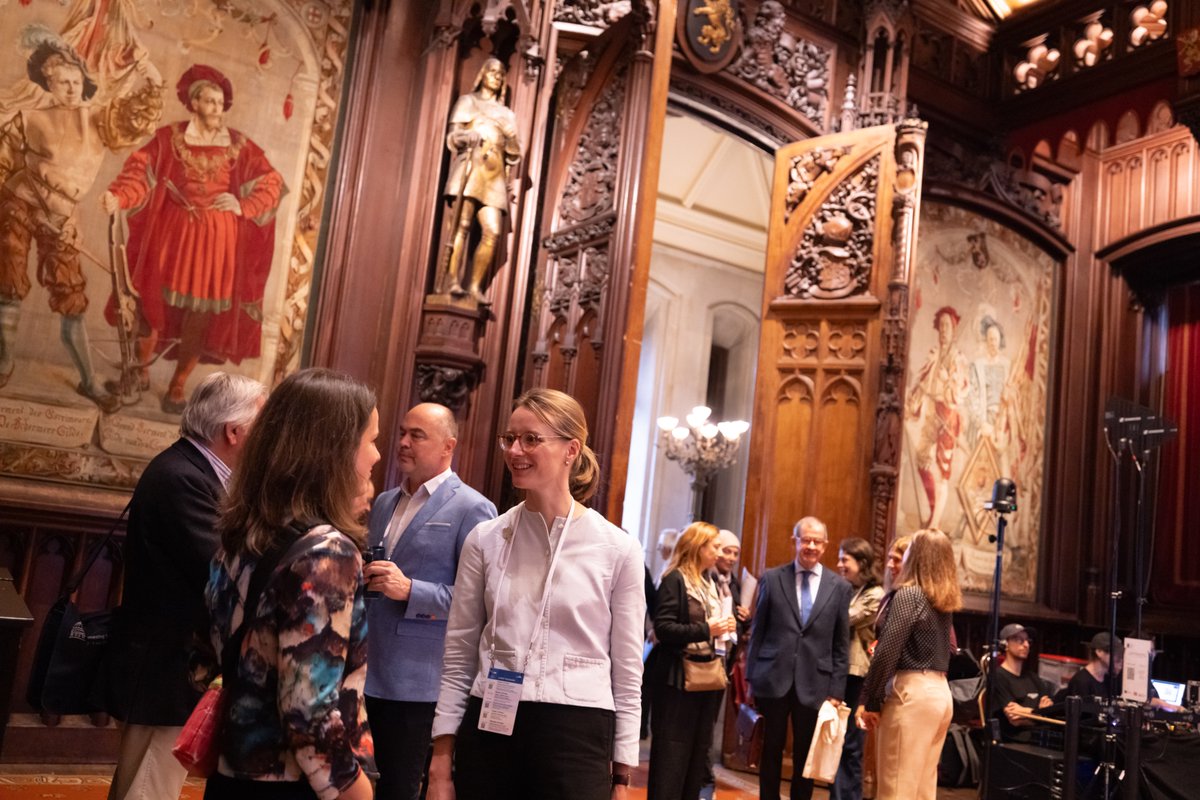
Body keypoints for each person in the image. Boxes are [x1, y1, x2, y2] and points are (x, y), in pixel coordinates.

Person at [428, 388, 645, 800]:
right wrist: (440, 762)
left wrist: (622, 776)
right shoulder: (485, 539)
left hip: (577, 733)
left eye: (531, 439)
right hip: (491, 725)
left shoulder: (618, 549)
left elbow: (628, 672)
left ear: (571, 450)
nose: (515, 451)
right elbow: (458, 656)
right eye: (510, 439)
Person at [198, 368, 376, 799]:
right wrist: (355, 790)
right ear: (334, 449)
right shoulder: (326, 552)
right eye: (371, 440)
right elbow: (308, 711)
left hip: (234, 772)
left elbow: (204, 663)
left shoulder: (245, 535)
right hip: (296, 783)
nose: (376, 455)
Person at [101, 371, 265, 800]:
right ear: (234, 431)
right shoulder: (182, 476)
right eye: (261, 427)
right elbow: (222, 568)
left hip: (170, 663)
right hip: (164, 664)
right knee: (149, 785)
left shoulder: (194, 470)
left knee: (143, 780)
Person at [101, 63, 283, 413]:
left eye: (220, 102)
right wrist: (119, 197)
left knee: (199, 316)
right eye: (210, 101)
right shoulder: (170, 137)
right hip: (172, 236)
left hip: (217, 243)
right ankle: (137, 374)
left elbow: (272, 183)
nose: (218, 108)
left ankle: (178, 386)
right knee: (151, 303)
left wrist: (244, 205)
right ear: (194, 103)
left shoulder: (239, 145)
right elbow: (140, 170)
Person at [0, 38, 160, 409]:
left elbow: (144, 111)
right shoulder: (28, 119)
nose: (70, 89)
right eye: (61, 83)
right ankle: (4, 363)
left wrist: (145, 69)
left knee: (72, 297)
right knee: (7, 285)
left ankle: (89, 381)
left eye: (75, 81)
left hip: (62, 218)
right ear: (48, 85)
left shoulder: (101, 120)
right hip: (18, 206)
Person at [362, 402, 496, 800]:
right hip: (367, 671)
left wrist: (412, 590)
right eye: (402, 432)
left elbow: (482, 604)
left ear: (448, 445)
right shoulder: (384, 501)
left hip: (420, 682)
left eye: (416, 435)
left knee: (400, 790)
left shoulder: (473, 507)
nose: (402, 442)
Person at [745, 516, 852, 800]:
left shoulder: (839, 588)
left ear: (826, 545)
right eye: (806, 540)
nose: (811, 546)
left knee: (807, 755)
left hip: (816, 683)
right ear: (795, 541)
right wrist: (750, 678)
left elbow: (842, 643)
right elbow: (758, 631)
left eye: (817, 541)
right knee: (771, 749)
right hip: (772, 678)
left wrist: (837, 690)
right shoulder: (771, 578)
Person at [856, 528, 962, 800]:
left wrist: (870, 701)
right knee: (922, 792)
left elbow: (886, 652)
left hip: (911, 694)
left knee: (896, 790)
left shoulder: (909, 595)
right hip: (940, 695)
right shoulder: (943, 600)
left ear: (917, 556)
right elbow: (951, 649)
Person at [644, 521, 736, 800]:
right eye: (715, 547)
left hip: (706, 678)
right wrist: (708, 629)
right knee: (672, 755)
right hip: (676, 681)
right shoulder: (675, 579)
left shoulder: (708, 580)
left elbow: (711, 623)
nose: (720, 553)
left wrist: (727, 626)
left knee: (697, 755)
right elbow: (664, 629)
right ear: (698, 547)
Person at [440, 57, 522, 304]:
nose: (496, 77)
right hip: (471, 166)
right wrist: (467, 135)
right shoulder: (468, 101)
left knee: (493, 231)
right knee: (461, 226)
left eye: (501, 74)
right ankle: (451, 281)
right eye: (493, 72)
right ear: (483, 73)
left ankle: (474, 286)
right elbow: (452, 137)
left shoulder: (507, 114)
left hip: (494, 173)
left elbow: (514, 154)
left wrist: (510, 138)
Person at [830, 537, 883, 800]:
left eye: (845, 560)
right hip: (839, 671)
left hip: (857, 674)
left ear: (862, 563)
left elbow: (844, 620)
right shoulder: (846, 589)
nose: (839, 565)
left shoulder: (875, 595)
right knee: (835, 740)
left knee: (852, 743)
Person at [907, 306, 968, 529]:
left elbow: (962, 388)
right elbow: (922, 383)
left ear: (953, 329)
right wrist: (911, 404)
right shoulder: (934, 354)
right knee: (921, 457)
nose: (944, 330)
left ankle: (934, 524)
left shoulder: (957, 357)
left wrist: (948, 381)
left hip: (948, 414)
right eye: (941, 326)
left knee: (943, 470)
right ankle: (932, 510)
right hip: (932, 411)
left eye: (948, 326)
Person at [988, 623, 1053, 743]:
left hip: (1040, 738)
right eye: (1019, 640)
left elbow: (1050, 711)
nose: (1026, 645)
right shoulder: (998, 677)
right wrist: (1040, 714)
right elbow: (1014, 718)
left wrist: (1028, 713)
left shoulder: (1033, 677)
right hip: (1014, 742)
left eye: (1028, 641)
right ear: (1005, 644)